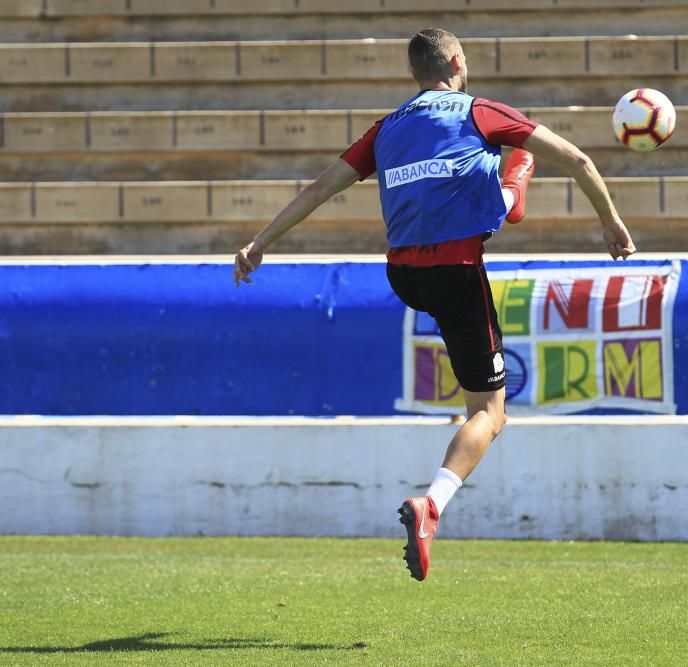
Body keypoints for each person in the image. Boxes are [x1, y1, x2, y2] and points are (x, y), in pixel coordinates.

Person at [233, 28, 636, 582]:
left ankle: (508, 190)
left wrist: (260, 243)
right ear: (454, 62)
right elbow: (580, 159)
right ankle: (432, 506)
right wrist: (612, 223)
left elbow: (318, 189)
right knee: (489, 414)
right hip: (454, 270)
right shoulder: (479, 110)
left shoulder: (386, 128)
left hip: (404, 273)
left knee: (483, 191)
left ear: (415, 73)